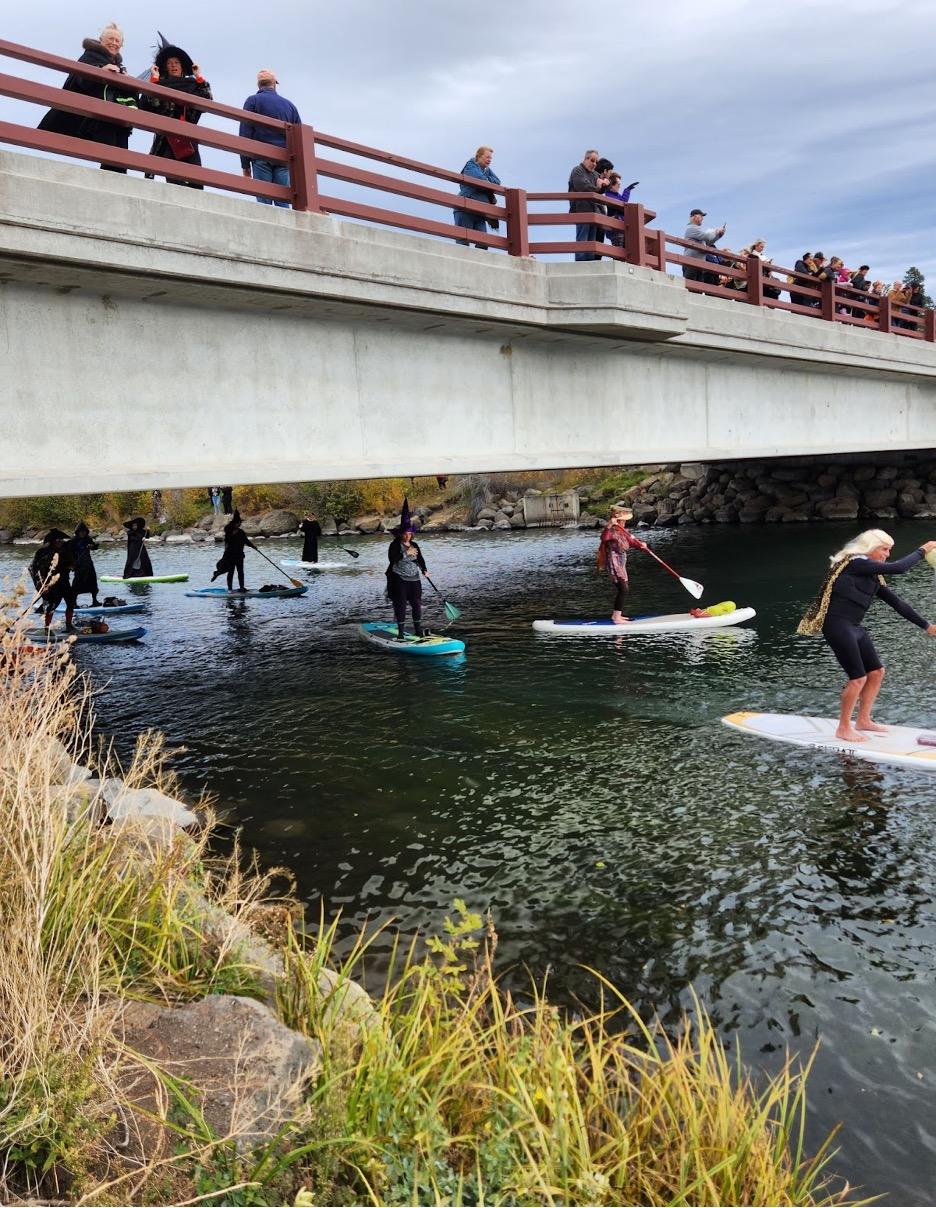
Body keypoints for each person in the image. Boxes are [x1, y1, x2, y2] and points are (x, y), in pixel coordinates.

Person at [797, 529, 936, 742]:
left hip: (854, 627)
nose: (887, 554)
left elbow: (897, 603)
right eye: (884, 549)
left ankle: (863, 720)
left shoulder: (871, 575)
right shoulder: (854, 563)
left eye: (889, 550)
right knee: (857, 678)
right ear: (870, 547)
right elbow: (898, 568)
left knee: (877, 672)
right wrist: (922, 550)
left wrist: (927, 626)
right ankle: (843, 727)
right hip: (837, 626)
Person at [38, 24, 137, 172]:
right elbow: (81, 82)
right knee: (110, 155)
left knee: (121, 157)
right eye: (110, 38)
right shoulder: (89, 56)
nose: (114, 43)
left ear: (121, 45)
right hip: (94, 118)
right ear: (101, 41)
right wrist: (99, 71)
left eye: (117, 40)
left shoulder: (120, 66)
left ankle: (118, 182)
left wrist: (127, 81)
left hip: (114, 118)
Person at [139, 43, 212, 188]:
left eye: (176, 62)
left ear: (182, 66)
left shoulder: (193, 84)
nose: (173, 66)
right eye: (170, 63)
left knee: (196, 182)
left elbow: (207, 100)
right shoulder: (160, 85)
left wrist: (199, 77)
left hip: (189, 139)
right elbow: (146, 105)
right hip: (167, 140)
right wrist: (154, 82)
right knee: (174, 183)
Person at [239, 69, 301, 207]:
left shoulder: (252, 101)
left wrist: (245, 165)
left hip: (261, 156)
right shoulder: (290, 106)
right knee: (283, 202)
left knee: (264, 203)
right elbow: (299, 137)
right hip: (283, 158)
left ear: (259, 85)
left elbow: (245, 132)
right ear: (274, 84)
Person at [596, 505, 648, 624]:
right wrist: (609, 524)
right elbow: (604, 538)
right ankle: (616, 617)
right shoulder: (611, 531)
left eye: (624, 521)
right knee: (623, 589)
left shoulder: (624, 532)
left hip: (621, 563)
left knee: (623, 589)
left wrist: (642, 545)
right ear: (617, 521)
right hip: (614, 564)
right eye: (623, 521)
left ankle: (617, 615)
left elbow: (632, 542)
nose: (624, 522)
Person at [386, 506, 428, 640]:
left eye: (409, 534)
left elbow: (420, 558)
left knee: (416, 604)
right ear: (400, 534)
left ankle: (418, 631)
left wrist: (425, 570)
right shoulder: (394, 545)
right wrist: (405, 553)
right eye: (405, 533)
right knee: (401, 605)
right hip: (399, 579)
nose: (407, 536)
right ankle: (400, 633)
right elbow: (392, 560)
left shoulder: (415, 545)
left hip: (414, 579)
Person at [453, 146, 501, 249]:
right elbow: (479, 179)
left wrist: (487, 180)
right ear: (479, 156)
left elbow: (497, 182)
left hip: (479, 212)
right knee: (463, 242)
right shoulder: (470, 165)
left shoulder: (486, 170)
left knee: (483, 243)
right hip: (465, 209)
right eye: (487, 157)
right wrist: (486, 181)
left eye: (491, 158)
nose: (489, 160)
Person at [29, 530, 78, 631]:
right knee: (53, 604)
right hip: (51, 583)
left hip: (64, 581)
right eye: (58, 540)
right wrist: (42, 585)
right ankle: (47, 627)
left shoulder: (65, 550)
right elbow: (36, 569)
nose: (60, 542)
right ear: (52, 541)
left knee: (71, 601)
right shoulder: (43, 552)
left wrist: (72, 566)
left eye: (61, 540)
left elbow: (71, 562)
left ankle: (69, 625)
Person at [568, 151, 610, 262]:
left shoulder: (595, 174)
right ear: (585, 159)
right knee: (582, 238)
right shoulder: (577, 170)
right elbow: (583, 187)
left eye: (596, 161)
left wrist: (605, 185)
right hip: (581, 210)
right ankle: (581, 263)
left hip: (593, 211)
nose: (594, 163)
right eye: (592, 160)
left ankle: (590, 262)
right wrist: (598, 187)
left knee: (591, 240)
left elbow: (600, 190)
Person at [212, 511, 255, 591]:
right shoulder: (228, 530)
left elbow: (246, 541)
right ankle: (230, 589)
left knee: (240, 572)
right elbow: (227, 540)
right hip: (230, 555)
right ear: (235, 523)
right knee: (231, 571)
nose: (240, 524)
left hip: (239, 555)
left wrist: (253, 546)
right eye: (239, 523)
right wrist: (233, 534)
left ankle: (242, 587)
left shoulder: (241, 532)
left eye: (240, 523)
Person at [682, 209, 726, 283]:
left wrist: (719, 235)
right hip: (691, 262)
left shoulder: (697, 230)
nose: (702, 218)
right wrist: (716, 231)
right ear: (694, 217)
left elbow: (708, 241)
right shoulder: (691, 228)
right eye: (701, 216)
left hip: (699, 264)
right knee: (691, 286)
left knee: (698, 288)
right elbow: (707, 237)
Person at [603, 172, 638, 249]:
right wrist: (627, 190)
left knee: (627, 250)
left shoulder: (616, 195)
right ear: (611, 186)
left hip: (621, 228)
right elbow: (622, 203)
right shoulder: (609, 195)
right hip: (615, 230)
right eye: (618, 184)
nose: (619, 186)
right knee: (618, 250)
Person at [69, 522, 101, 606]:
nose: (82, 533)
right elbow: (69, 553)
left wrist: (92, 546)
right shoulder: (73, 541)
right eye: (81, 532)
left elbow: (95, 546)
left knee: (93, 582)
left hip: (88, 564)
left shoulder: (88, 539)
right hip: (78, 565)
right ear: (77, 532)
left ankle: (94, 601)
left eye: (84, 531)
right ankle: (74, 603)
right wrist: (72, 564)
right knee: (77, 584)